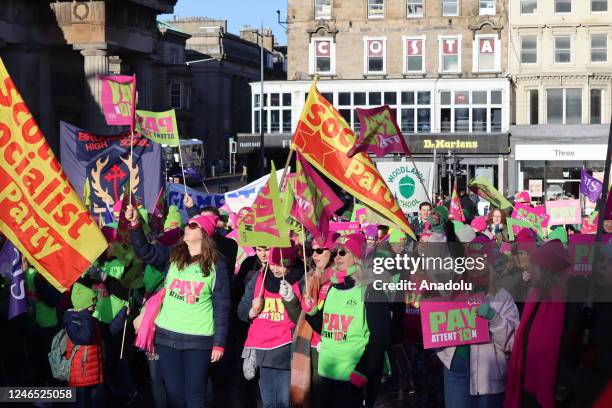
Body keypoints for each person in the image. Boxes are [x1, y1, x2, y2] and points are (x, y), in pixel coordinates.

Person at [126, 204, 230, 408]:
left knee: (195, 395)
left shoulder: (217, 265)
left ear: (204, 234)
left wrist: (219, 342)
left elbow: (222, 306)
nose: (186, 227)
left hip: (198, 340)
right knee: (174, 394)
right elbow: (146, 252)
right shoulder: (173, 255)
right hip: (167, 337)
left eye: (192, 225)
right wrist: (135, 224)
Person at [305, 234, 391, 408]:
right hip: (327, 374)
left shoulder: (371, 290)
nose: (337, 257)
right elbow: (325, 328)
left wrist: (362, 372)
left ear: (357, 256)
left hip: (353, 379)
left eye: (343, 252)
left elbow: (380, 338)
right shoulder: (332, 287)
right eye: (336, 252)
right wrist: (311, 311)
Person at [437, 237, 520, 408]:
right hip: (455, 370)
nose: (474, 263)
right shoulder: (454, 289)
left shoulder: (502, 296)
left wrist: (493, 318)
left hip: (487, 377)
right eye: (471, 258)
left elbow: (512, 343)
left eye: (480, 258)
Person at [505, 241, 570, 408]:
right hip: (528, 371)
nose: (532, 269)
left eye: (535, 265)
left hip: (543, 377)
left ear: (546, 269)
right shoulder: (536, 291)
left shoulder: (558, 296)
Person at [238, 244, 303, 408]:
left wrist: (291, 300)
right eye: (273, 263)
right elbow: (241, 311)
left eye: (280, 264)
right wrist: (252, 310)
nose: (275, 268)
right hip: (262, 347)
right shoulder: (260, 277)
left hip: (285, 347)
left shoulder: (302, 278)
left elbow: (302, 319)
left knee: (283, 402)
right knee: (268, 402)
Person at [286, 234, 337, 408]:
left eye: (320, 250)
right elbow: (299, 319)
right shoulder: (309, 279)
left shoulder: (342, 281)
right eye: (312, 250)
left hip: (333, 350)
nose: (315, 255)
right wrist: (290, 299)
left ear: (333, 252)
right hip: (311, 349)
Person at [64, 282, 106, 408]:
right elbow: (85, 338)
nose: (94, 306)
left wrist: (121, 315)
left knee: (95, 402)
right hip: (80, 375)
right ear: (83, 305)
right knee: (81, 403)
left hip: (92, 372)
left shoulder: (89, 318)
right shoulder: (72, 320)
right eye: (92, 304)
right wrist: (85, 314)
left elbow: (107, 332)